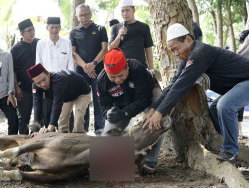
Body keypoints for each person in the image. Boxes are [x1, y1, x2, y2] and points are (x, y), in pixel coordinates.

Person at [144, 23, 249, 163]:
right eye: (172, 51)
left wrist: (160, 113)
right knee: (214, 109)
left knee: (224, 105)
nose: (176, 54)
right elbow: (172, 86)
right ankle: (223, 144)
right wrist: (154, 108)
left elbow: (180, 87)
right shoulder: (186, 60)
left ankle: (230, 150)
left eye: (176, 49)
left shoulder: (201, 52)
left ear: (188, 39)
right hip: (237, 86)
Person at [97, 48, 165, 175]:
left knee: (156, 121)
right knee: (108, 135)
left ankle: (149, 162)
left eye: (121, 76)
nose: (117, 80)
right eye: (112, 77)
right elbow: (103, 104)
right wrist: (108, 113)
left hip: (148, 94)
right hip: (122, 103)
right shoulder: (102, 80)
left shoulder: (137, 68)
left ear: (127, 67)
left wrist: (126, 113)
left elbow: (144, 99)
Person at [69, 3, 108, 132]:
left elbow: (104, 49)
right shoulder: (74, 32)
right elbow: (73, 53)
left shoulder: (100, 28)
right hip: (81, 72)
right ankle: (82, 129)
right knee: (82, 101)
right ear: (77, 16)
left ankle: (100, 129)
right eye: (81, 15)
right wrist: (86, 66)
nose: (84, 17)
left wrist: (93, 64)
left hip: (99, 71)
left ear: (90, 14)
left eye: (86, 14)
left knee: (99, 101)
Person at [36, 17, 74, 130]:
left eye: (56, 27)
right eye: (52, 27)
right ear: (47, 28)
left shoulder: (66, 42)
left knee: (67, 114)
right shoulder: (41, 43)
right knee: (49, 113)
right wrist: (41, 87)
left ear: (60, 27)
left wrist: (70, 84)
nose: (54, 29)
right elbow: (38, 64)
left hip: (64, 83)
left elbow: (70, 64)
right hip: (47, 84)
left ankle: (68, 140)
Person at [28, 63, 91, 133]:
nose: (43, 84)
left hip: (82, 91)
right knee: (62, 123)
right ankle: (64, 141)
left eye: (44, 79)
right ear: (34, 83)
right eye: (38, 83)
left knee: (78, 118)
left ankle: (79, 138)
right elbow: (37, 105)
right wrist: (35, 130)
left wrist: (49, 129)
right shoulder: (35, 86)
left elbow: (57, 105)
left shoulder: (58, 80)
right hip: (66, 96)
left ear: (48, 74)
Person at [109, 0, 154, 74]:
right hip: (122, 69)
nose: (125, 13)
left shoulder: (143, 27)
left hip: (140, 67)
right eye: (122, 11)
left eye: (127, 10)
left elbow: (148, 48)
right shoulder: (116, 28)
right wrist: (119, 35)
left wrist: (151, 68)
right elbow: (111, 48)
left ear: (134, 10)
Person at [11, 19, 39, 134]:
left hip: (40, 87)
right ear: (22, 34)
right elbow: (13, 71)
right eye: (29, 31)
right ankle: (23, 144)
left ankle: (38, 142)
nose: (32, 32)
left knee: (40, 117)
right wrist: (16, 88)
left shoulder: (39, 43)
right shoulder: (15, 49)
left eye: (33, 29)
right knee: (24, 118)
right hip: (24, 88)